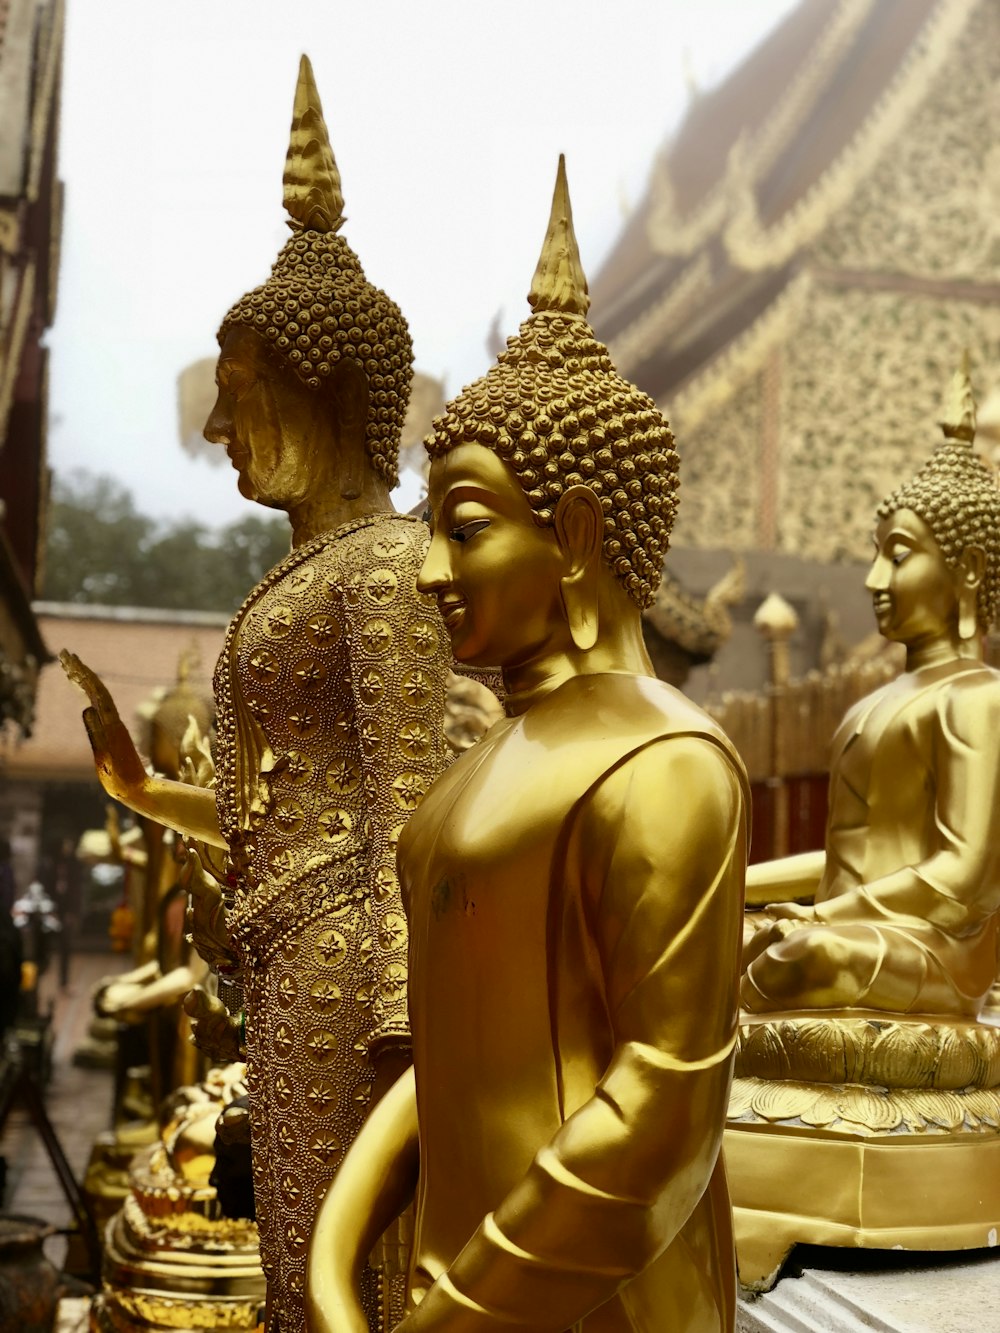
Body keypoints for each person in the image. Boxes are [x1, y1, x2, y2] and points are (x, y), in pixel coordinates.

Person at [306, 158, 748, 1333]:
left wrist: (460, 1312)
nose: (432, 570)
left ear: (577, 535)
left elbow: (662, 1105)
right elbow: (446, 1064)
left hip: (600, 1298)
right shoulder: (463, 787)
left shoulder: (663, 763)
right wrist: (335, 1249)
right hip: (454, 1286)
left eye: (463, 529)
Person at [64, 56, 450, 1332]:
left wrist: (407, 1000)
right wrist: (141, 789)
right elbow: (278, 812)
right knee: (296, 1265)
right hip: (290, 948)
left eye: (242, 399)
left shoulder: (388, 564)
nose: (226, 431)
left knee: (350, 1274)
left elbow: (408, 800)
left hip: (352, 958)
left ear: (327, 390)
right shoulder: (306, 573)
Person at [742, 361, 1000, 1018]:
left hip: (933, 949)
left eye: (899, 552)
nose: (875, 578)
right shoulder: (867, 706)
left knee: (808, 959)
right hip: (844, 924)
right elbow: (840, 856)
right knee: (716, 943)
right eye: (877, 552)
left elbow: (962, 876)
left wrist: (821, 916)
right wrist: (731, 890)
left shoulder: (979, 698)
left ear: (967, 570)